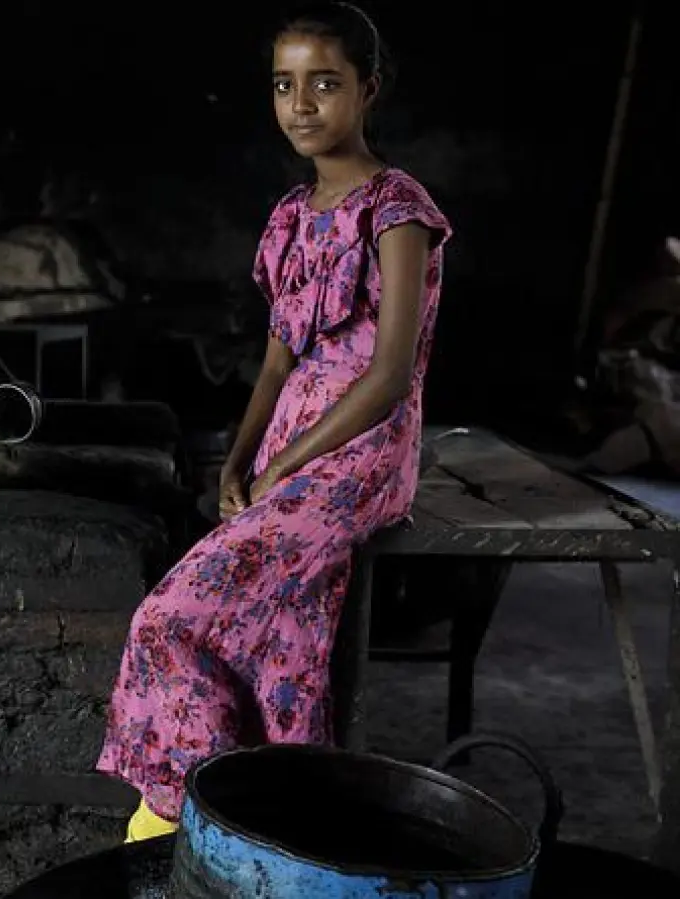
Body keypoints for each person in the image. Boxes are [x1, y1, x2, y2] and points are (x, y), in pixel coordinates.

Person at [95, 1, 452, 842]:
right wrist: (238, 454)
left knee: (167, 617)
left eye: (325, 84)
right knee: (283, 630)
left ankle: (191, 808)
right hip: (290, 443)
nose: (303, 105)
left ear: (369, 89)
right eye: (286, 86)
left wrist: (291, 460)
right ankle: (287, 815)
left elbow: (391, 372)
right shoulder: (290, 219)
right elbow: (278, 361)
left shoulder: (397, 210)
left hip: (362, 448)